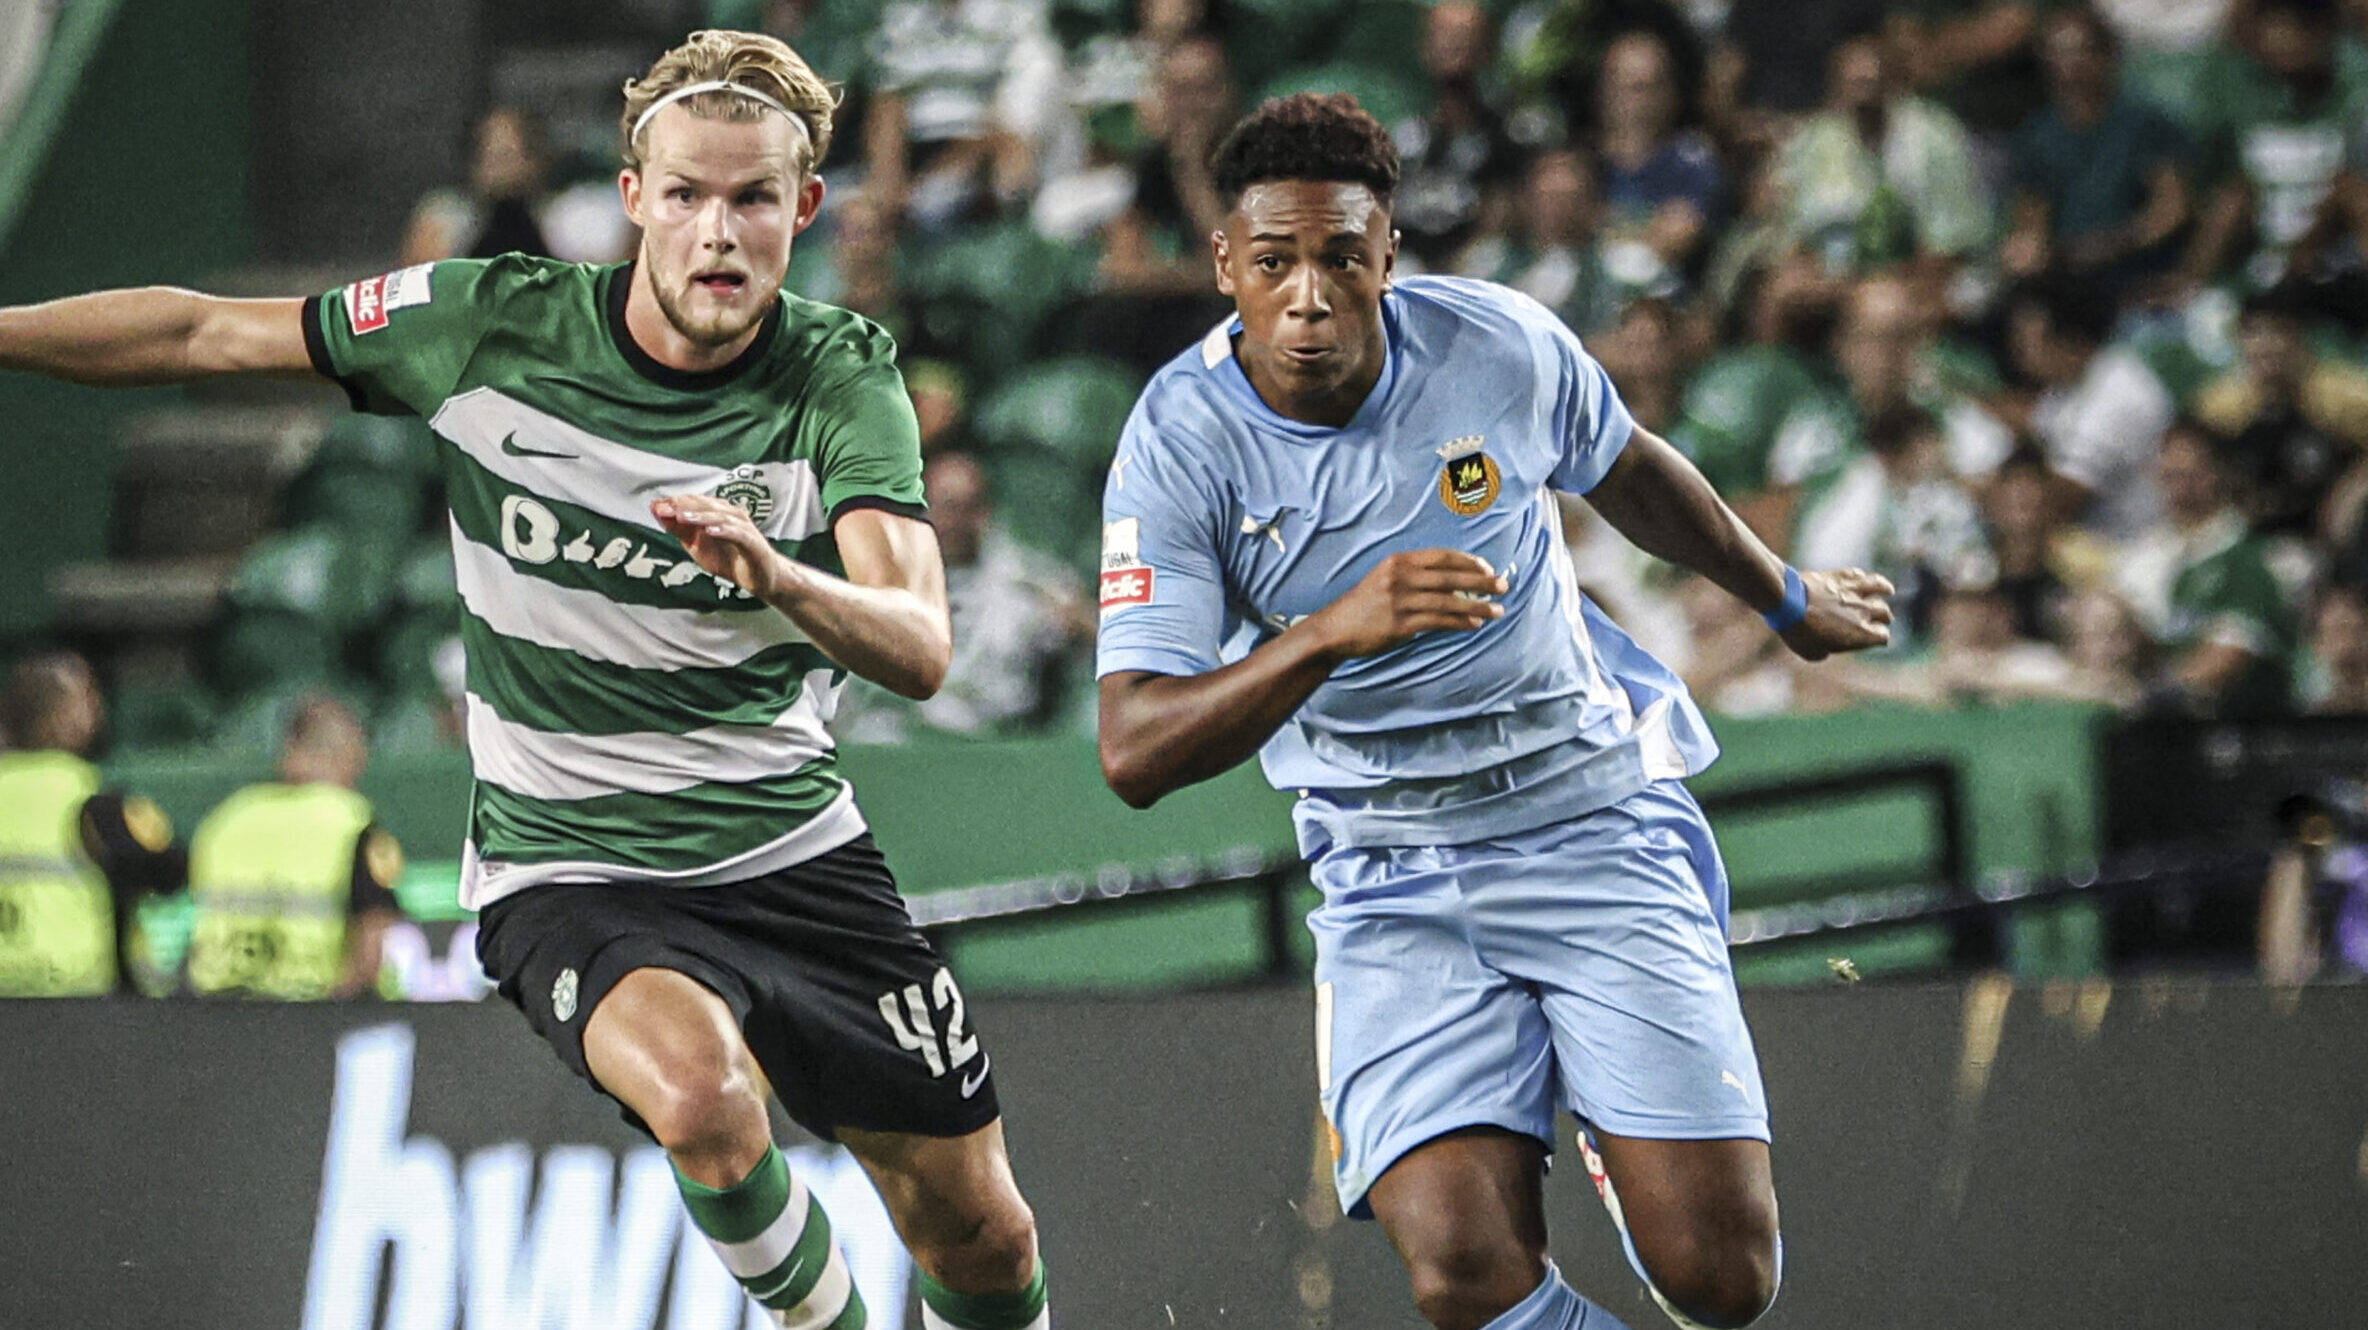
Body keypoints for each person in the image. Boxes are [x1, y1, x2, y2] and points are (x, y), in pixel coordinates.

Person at [0, 31, 1048, 1330]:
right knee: (709, 1107)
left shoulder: (839, 372)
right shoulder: (487, 323)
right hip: (570, 867)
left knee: (985, 1234)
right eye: (686, 194)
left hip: (793, 852)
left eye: (753, 199)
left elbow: (920, 636)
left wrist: (780, 577)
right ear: (633, 198)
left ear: (806, 207)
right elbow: (209, 330)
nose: (717, 231)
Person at [1095, 93, 1894, 1330]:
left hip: (1590, 822)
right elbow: (1134, 748)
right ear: (1224, 268)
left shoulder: (1496, 346)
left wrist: (1783, 596)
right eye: (1273, 264)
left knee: (1722, 1283)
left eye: (1340, 261)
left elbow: (1623, 463)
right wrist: (1327, 632)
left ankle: (1610, 1131)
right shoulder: (1178, 444)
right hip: (1387, 867)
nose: (1308, 294)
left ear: (1387, 259)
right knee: (1462, 1276)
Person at [183, 695, 405, 1000]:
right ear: (348, 756)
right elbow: (374, 941)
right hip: (315, 1012)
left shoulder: (226, 819)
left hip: (222, 1012)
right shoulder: (353, 822)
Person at [0, 651, 182, 996]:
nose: (97, 713)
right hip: (71, 995)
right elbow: (165, 875)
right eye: (87, 702)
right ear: (63, 719)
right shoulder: (94, 794)